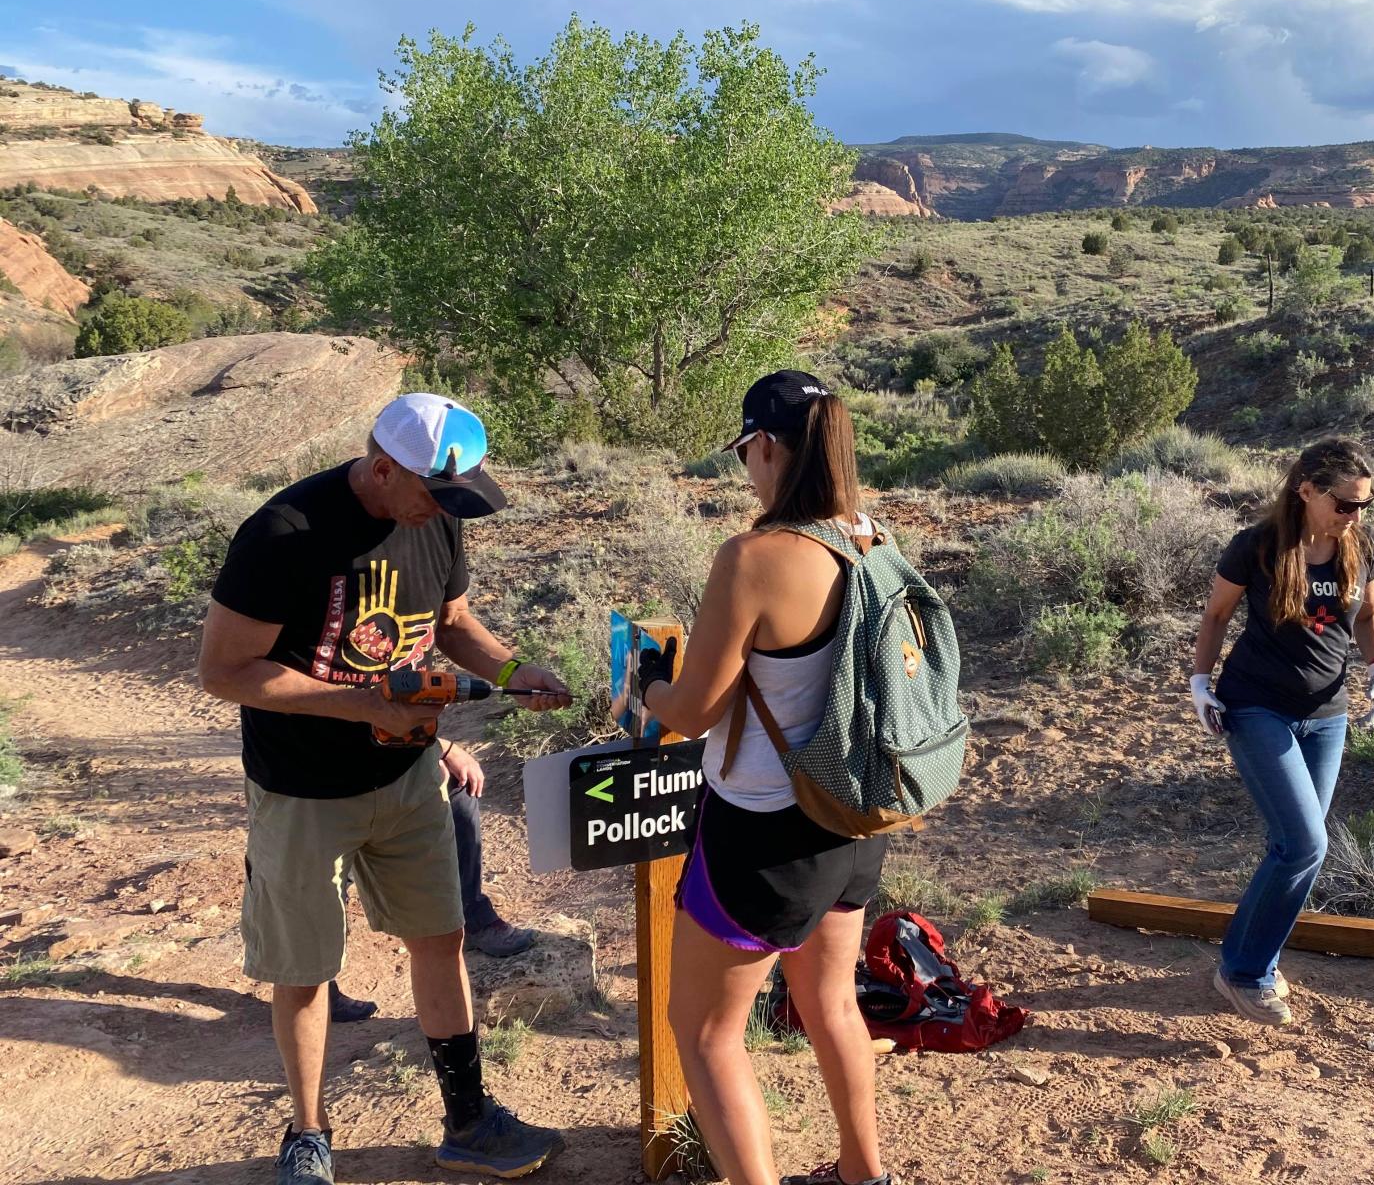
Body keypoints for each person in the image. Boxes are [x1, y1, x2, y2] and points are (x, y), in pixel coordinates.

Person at [198, 393, 571, 1183]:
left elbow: (453, 620)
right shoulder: (282, 533)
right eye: (438, 495)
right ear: (381, 468)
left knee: (440, 938)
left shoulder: (435, 515)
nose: (448, 511)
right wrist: (361, 703)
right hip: (302, 789)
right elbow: (224, 670)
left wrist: (510, 670)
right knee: (302, 965)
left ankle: (468, 1118)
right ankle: (307, 1135)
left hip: (406, 776)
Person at [637, 370, 891, 1185]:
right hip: (852, 822)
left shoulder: (753, 557)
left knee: (705, 1031)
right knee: (831, 1006)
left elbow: (695, 711)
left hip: (764, 832)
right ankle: (865, 1174)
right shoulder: (872, 540)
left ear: (771, 446)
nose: (747, 464)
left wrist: (643, 685)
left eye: (747, 449)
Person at [1189, 437, 1374, 1027]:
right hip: (1255, 707)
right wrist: (1201, 681)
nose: (1354, 515)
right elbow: (1217, 616)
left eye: (1364, 505)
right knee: (1305, 844)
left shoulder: (1365, 545)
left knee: (1295, 849)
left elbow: (1369, 617)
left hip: (1328, 713)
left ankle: (1250, 960)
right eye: (1345, 503)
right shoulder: (1256, 547)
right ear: (1306, 490)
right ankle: (1248, 974)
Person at [327, 764, 537, 1024]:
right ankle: (317, 981)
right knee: (320, 876)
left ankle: (471, 916)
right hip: (311, 777)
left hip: (382, 760)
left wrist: (443, 749)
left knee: (459, 782)